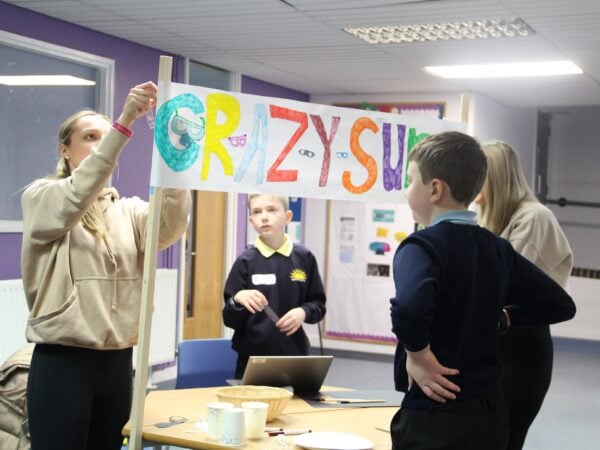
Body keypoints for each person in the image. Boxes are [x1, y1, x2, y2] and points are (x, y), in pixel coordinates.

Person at [20, 81, 191, 450]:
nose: (101, 143)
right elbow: (77, 194)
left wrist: (176, 161)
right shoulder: (42, 197)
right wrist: (125, 121)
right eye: (90, 136)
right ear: (65, 150)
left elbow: (171, 223)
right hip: (63, 360)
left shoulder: (127, 210)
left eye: (106, 136)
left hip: (118, 362)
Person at [389, 131, 575, 450]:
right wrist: (502, 319)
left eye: (410, 181)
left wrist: (417, 355)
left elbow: (408, 308)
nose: (406, 191)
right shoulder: (498, 249)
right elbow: (560, 305)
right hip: (488, 413)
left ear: (435, 189)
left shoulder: (420, 247)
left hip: (435, 413)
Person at [476, 140, 574, 450]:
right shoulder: (487, 214)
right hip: (492, 342)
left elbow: (502, 284)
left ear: (495, 177)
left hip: (520, 346)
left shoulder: (533, 217)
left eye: (478, 176)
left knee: (505, 437)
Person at [223, 194, 326, 379]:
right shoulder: (245, 261)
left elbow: (318, 305)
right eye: (256, 212)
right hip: (252, 358)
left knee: (296, 406)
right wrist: (238, 300)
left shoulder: (305, 257)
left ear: (287, 217)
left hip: (295, 355)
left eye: (271, 210)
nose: (264, 216)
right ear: (251, 221)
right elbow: (229, 319)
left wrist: (303, 312)